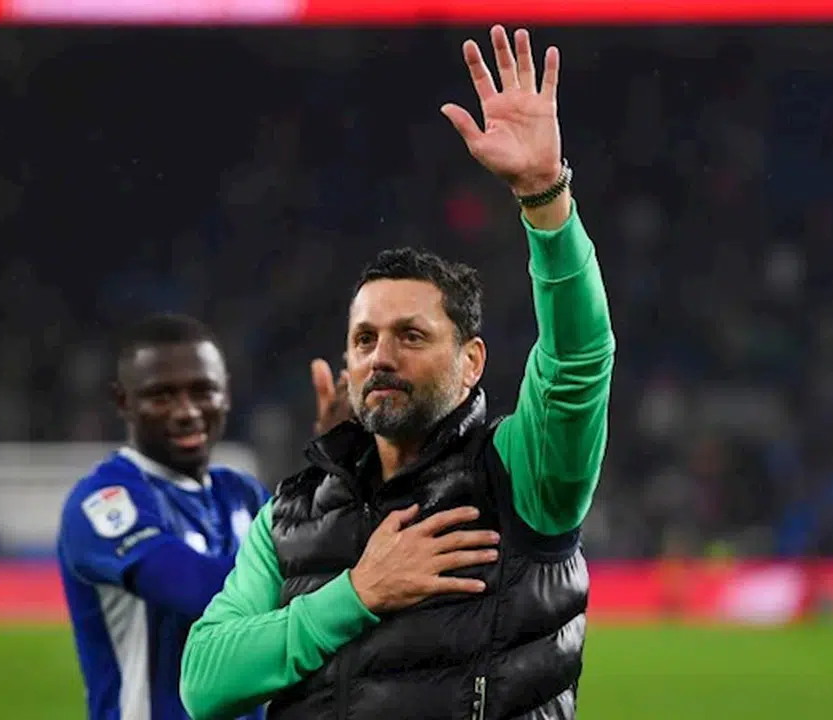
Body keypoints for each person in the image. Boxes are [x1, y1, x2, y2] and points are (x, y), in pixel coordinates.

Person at [180, 25, 614, 720]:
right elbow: (204, 683)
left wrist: (544, 198)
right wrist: (358, 593)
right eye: (365, 339)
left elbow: (577, 364)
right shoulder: (292, 511)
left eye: (411, 335)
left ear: (471, 362)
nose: (381, 355)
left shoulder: (521, 475)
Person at [59, 313, 300, 720]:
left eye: (203, 391)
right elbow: (200, 592)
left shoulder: (243, 494)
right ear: (123, 402)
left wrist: (339, 473)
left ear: (226, 393)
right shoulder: (104, 501)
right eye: (162, 395)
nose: (187, 411)